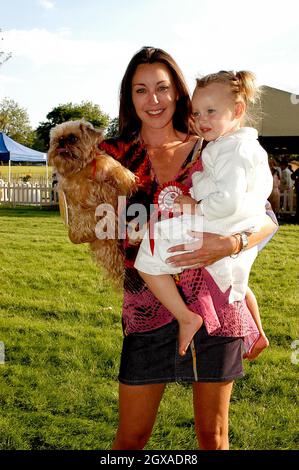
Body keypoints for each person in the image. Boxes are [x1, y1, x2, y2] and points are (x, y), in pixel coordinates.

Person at [98, 47, 278, 450]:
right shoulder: (113, 156)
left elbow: (266, 218)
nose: (154, 100)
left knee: (212, 437)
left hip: (214, 304)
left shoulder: (213, 146)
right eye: (141, 90)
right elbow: (93, 221)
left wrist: (229, 243)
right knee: (131, 438)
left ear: (179, 93)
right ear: (129, 97)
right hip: (146, 304)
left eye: (163, 88)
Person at [134, 70, 272, 357]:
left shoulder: (232, 150)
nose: (201, 120)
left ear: (237, 110)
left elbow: (246, 208)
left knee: (148, 256)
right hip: (222, 226)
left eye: (211, 111)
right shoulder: (227, 145)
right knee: (233, 282)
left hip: (221, 226)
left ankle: (187, 317)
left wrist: (196, 208)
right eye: (197, 113)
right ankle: (254, 332)